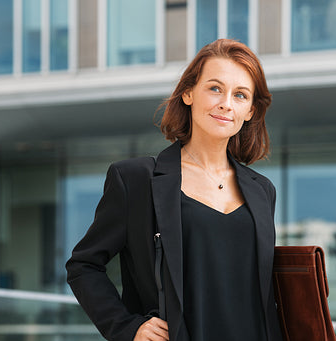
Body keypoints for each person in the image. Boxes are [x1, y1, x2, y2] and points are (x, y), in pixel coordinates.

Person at [66, 39, 283, 341]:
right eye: (215, 88)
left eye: (241, 95)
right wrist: (129, 328)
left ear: (249, 111)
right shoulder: (136, 180)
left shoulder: (263, 191)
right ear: (188, 93)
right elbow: (83, 265)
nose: (226, 104)